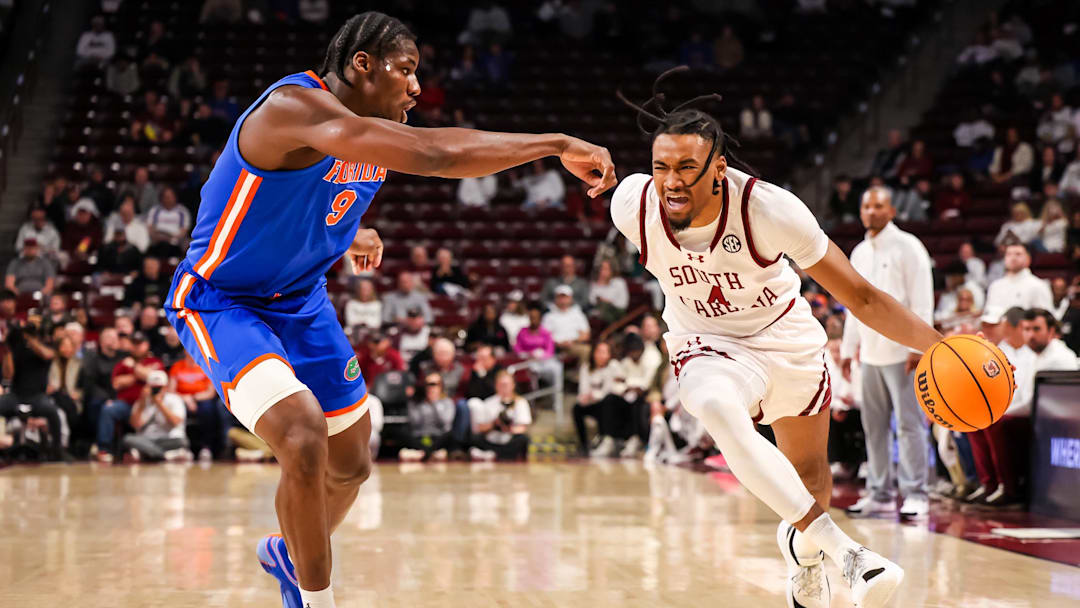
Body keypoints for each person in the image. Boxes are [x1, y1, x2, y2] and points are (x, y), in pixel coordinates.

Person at [160, 13, 615, 608]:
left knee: (350, 468)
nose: (417, 87)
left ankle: (288, 548)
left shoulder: (365, 136)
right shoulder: (294, 107)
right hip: (222, 301)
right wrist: (556, 144)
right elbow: (431, 154)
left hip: (301, 302)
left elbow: (306, 200)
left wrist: (352, 232)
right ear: (361, 65)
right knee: (301, 437)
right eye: (406, 70)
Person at [609, 70, 944, 608]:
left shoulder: (769, 210)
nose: (671, 180)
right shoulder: (633, 206)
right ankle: (849, 555)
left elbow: (859, 296)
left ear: (718, 168)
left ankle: (806, 561)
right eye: (661, 166)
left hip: (785, 338)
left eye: (687, 167)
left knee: (811, 477)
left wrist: (939, 345)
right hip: (705, 341)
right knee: (716, 405)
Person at [840, 186, 934, 520]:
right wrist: (849, 349)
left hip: (903, 353)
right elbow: (853, 305)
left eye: (879, 205)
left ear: (892, 210)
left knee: (909, 425)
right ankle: (879, 493)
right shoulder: (860, 252)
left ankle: (916, 494)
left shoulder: (909, 247)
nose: (872, 211)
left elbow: (922, 299)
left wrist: (918, 347)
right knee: (874, 427)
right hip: (870, 354)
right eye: (867, 206)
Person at [965, 307, 1037, 507]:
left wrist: (998, 412)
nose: (993, 330)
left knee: (994, 423)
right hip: (1006, 411)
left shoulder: (1032, 354)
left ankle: (1009, 487)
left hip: (1023, 413)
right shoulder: (1000, 351)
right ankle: (989, 484)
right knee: (973, 423)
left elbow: (1029, 399)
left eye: (998, 325)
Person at [0, 317, 69, 461]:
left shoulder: (47, 344)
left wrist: (30, 339)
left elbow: (47, 355)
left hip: (37, 396)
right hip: (16, 395)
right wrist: (7, 349)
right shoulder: (16, 347)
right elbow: (8, 375)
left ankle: (57, 450)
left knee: (53, 413)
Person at [96, 331, 164, 461]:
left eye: (140, 343)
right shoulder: (122, 363)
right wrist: (140, 374)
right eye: (134, 344)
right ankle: (104, 450)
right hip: (127, 405)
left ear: (147, 345)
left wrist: (134, 368)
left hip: (149, 406)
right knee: (108, 409)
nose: (137, 347)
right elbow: (116, 384)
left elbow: (156, 379)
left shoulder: (155, 361)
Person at [170, 350, 226, 460]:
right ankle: (181, 446)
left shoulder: (206, 366)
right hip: (181, 399)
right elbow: (170, 391)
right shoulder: (177, 366)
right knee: (176, 408)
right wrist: (186, 398)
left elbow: (211, 393)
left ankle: (207, 447)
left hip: (201, 398)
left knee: (208, 409)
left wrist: (193, 398)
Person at [122, 370, 189, 461]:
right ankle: (165, 456)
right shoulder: (141, 402)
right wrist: (142, 403)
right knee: (128, 439)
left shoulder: (175, 399)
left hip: (169, 439)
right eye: (153, 388)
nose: (156, 390)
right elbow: (135, 425)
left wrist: (159, 403)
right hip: (146, 439)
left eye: (159, 387)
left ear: (166, 387)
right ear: (147, 387)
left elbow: (176, 422)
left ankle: (147, 454)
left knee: (182, 441)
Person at [572, 341, 624, 456]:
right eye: (598, 352)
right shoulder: (586, 367)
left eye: (604, 352)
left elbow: (608, 390)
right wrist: (586, 397)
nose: (601, 355)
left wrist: (593, 395)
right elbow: (583, 390)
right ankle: (584, 444)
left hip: (611, 404)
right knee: (577, 408)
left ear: (610, 354)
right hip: (593, 402)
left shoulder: (613, 366)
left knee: (606, 403)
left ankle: (606, 439)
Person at [467, 370, 531, 461]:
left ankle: (493, 454)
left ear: (513, 385)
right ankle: (496, 453)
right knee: (474, 438)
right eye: (501, 385)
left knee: (523, 439)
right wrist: (494, 424)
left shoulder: (520, 402)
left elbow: (523, 427)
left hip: (509, 438)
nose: (504, 387)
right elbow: (480, 428)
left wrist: (508, 428)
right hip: (491, 438)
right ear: (496, 386)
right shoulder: (488, 402)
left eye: (506, 384)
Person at [400, 372, 458, 461]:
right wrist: (416, 400)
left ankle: (421, 454)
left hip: (438, 437)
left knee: (451, 434)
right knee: (402, 431)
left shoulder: (447, 402)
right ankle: (432, 453)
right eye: (428, 384)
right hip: (421, 437)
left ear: (441, 386)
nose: (430, 387)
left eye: (434, 384)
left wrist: (434, 403)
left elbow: (445, 423)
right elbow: (414, 423)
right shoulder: (416, 401)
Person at [985, 243, 1054, 312]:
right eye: (1008, 254)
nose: (1013, 258)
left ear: (1028, 259)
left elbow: (1046, 318)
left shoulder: (1038, 286)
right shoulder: (995, 286)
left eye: (1018, 254)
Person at [588, 259, 629, 323]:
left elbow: (622, 304)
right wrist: (599, 284)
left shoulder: (619, 282)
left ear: (612, 270)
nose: (602, 271)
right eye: (601, 269)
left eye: (605, 269)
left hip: (616, 313)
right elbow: (591, 301)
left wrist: (606, 301)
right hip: (600, 313)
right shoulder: (596, 284)